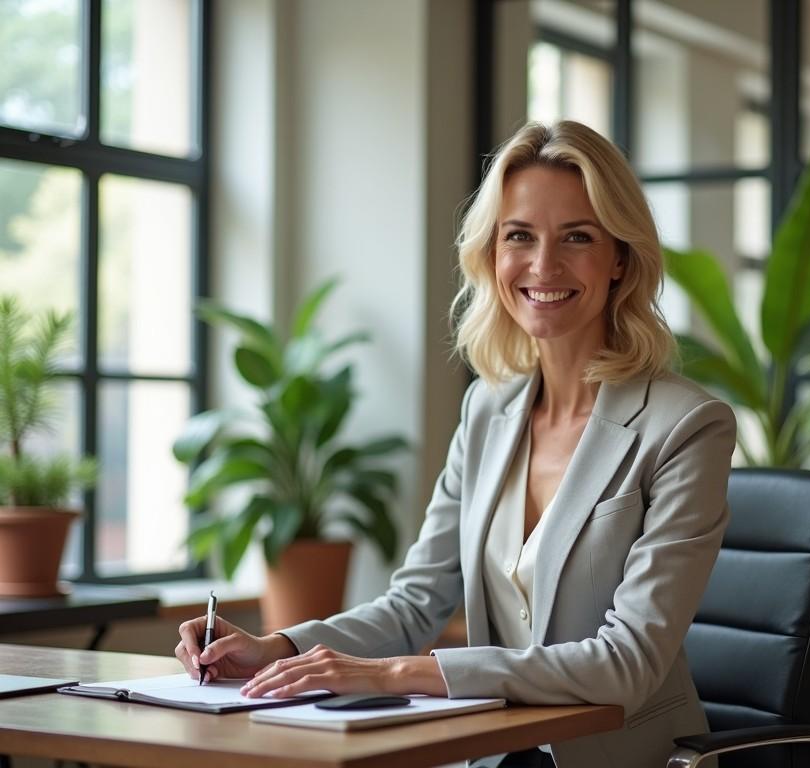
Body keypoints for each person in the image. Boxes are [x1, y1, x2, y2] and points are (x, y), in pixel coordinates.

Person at [175, 120, 736, 768]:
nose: (543, 265)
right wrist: (279, 648)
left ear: (620, 257)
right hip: (495, 754)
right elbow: (414, 603)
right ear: (492, 255)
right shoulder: (486, 411)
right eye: (518, 236)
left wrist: (394, 676)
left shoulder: (687, 426)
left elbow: (625, 665)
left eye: (577, 237)